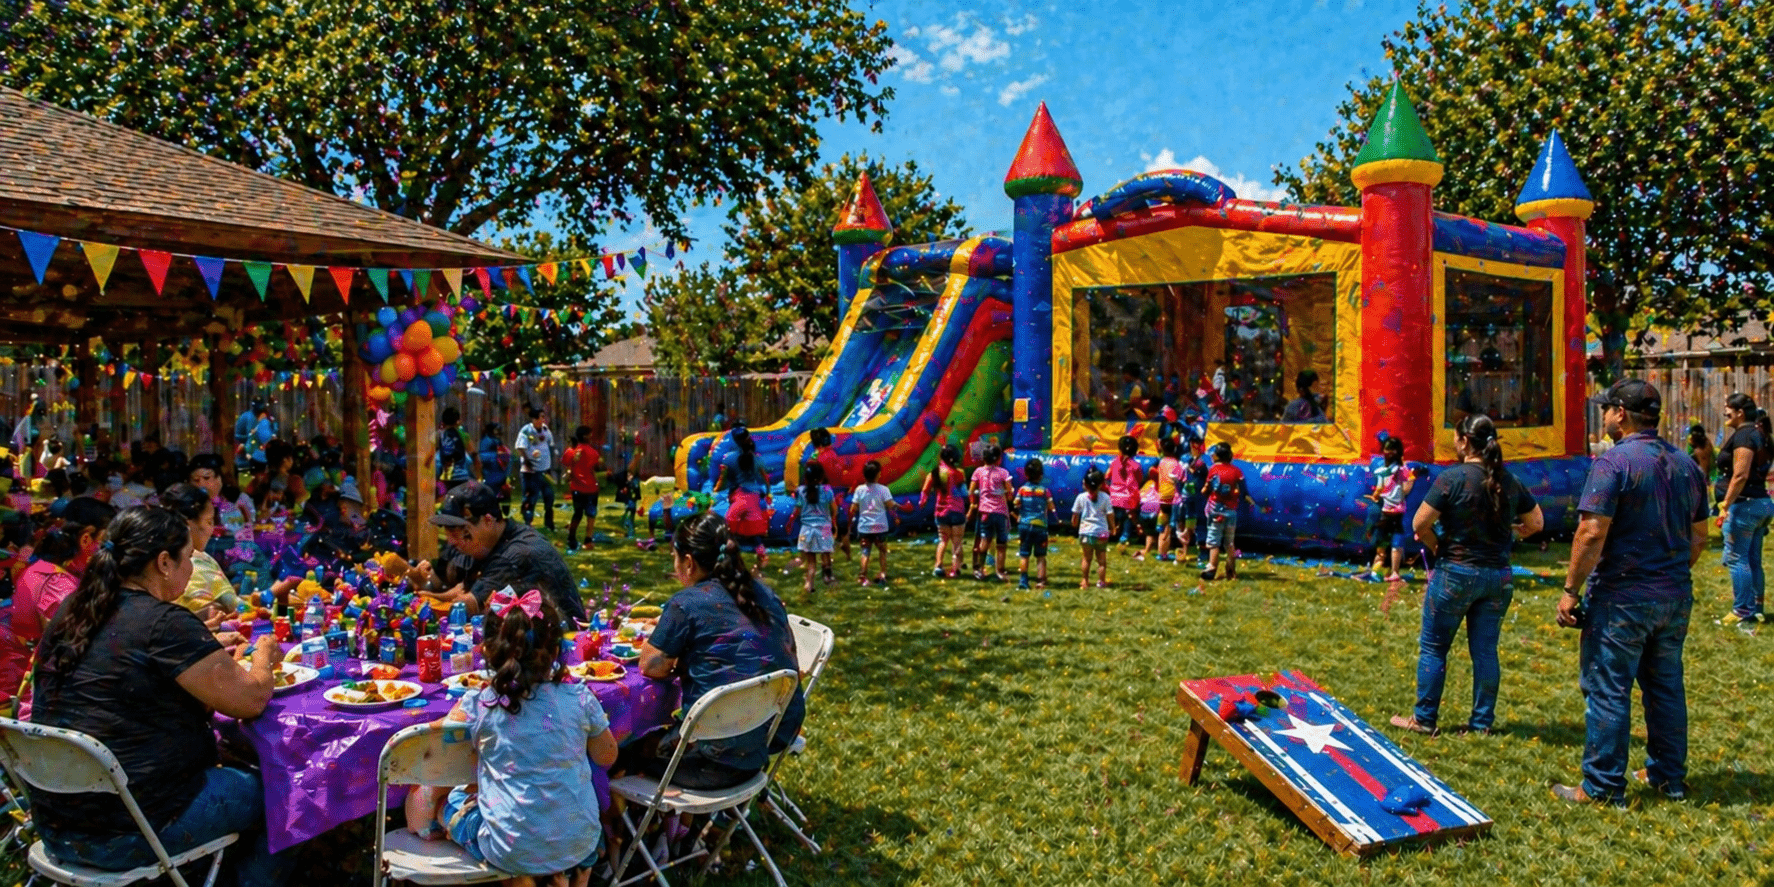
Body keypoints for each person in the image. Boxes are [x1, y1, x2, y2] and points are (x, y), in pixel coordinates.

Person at [29, 506, 291, 886]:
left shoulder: (75, 610)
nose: (191, 566)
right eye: (188, 557)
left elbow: (127, 672)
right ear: (164, 562)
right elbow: (250, 699)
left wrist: (204, 652)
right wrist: (264, 655)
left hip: (58, 826)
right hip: (131, 830)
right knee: (283, 791)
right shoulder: (164, 623)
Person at [1553, 379, 1708, 805]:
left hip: (1622, 599)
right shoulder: (1686, 464)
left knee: (1608, 689)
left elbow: (1591, 531)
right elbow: (1699, 538)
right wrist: (1668, 575)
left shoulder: (1613, 464)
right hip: (1674, 596)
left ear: (1621, 413)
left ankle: (1602, 787)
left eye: (1606, 409)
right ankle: (1668, 778)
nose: (1602, 416)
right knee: (1666, 688)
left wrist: (1570, 590)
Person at [405, 589, 616, 886]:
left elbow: (427, 748)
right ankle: (557, 875)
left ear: (488, 652)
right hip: (580, 842)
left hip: (509, 849)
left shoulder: (480, 704)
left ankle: (525, 876)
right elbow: (607, 756)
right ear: (556, 652)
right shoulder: (580, 697)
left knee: (447, 802)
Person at [1388, 416, 1542, 736]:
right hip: (1497, 577)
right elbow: (1537, 523)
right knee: (1485, 650)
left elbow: (1419, 524)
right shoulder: (1508, 480)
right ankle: (1482, 723)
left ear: (1463, 442)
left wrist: (1437, 545)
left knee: (1434, 647)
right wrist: (1510, 533)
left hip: (1455, 573)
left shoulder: (1452, 478)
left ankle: (1425, 718)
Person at [631, 513, 805, 790]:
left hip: (710, 761)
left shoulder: (686, 604)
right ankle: (697, 828)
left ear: (688, 562)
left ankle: (656, 831)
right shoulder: (763, 593)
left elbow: (651, 666)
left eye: (675, 558)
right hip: (768, 737)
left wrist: (678, 659)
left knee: (623, 750)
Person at [410, 481, 585, 622]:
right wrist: (430, 595)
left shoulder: (515, 554)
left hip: (563, 645)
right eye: (448, 532)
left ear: (487, 520)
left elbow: (467, 607)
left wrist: (416, 605)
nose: (451, 540)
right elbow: (464, 588)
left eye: (458, 532)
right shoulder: (493, 541)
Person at [0, 498, 118, 697]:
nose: (112, 552)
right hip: (26, 692)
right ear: (86, 539)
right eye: (107, 542)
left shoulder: (45, 568)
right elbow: (67, 650)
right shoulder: (58, 584)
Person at [1715, 393, 1772, 628]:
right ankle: (1756, 607)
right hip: (1761, 503)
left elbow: (1740, 474)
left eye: (1728, 408)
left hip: (1744, 506)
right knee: (1753, 559)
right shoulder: (1760, 434)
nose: (1725, 412)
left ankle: (1742, 611)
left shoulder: (1744, 436)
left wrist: (1725, 505)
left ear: (1740, 413)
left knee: (1738, 559)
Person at [158, 484, 244, 619]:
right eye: (209, 522)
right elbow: (237, 607)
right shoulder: (199, 561)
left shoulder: (159, 557)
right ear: (188, 524)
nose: (212, 529)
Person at [713, 426, 772, 573]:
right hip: (754, 497)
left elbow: (722, 481)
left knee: (729, 530)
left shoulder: (729, 458)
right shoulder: (756, 458)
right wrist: (767, 492)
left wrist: (714, 491)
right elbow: (766, 479)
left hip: (739, 497)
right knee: (754, 532)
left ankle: (726, 558)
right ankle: (762, 556)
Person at [850, 460, 910, 587]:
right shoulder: (883, 489)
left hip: (864, 527)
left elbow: (853, 508)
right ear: (878, 475)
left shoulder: (859, 490)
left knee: (865, 552)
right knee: (882, 551)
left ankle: (862, 576)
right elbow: (890, 505)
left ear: (864, 475)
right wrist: (903, 507)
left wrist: (850, 523)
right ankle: (882, 573)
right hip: (880, 527)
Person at [1368, 436, 1416, 582]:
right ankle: (1392, 572)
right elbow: (1407, 486)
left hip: (1388, 511)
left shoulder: (1387, 469)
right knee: (1394, 542)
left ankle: (1377, 571)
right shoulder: (1400, 469)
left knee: (1384, 543)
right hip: (1395, 511)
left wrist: (1377, 495)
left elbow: (1381, 489)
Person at [1199, 443, 1248, 581]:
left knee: (1214, 541)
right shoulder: (1237, 471)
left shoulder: (1213, 469)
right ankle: (1231, 570)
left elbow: (1207, 488)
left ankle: (1211, 568)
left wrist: (1203, 492)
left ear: (1218, 456)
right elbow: (1243, 490)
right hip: (1231, 511)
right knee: (1229, 542)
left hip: (1216, 510)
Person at [918, 444, 968, 578]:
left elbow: (925, 492)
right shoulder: (959, 474)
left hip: (941, 512)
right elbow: (964, 494)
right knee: (957, 542)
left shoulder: (934, 473)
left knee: (942, 540)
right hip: (957, 511)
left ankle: (938, 565)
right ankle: (955, 570)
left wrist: (922, 502)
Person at [788, 460, 836, 594]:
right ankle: (828, 576)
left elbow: (796, 511)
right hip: (824, 528)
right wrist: (833, 519)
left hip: (807, 529)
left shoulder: (801, 490)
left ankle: (808, 585)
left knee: (811, 562)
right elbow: (834, 509)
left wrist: (790, 523)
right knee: (826, 554)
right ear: (821, 476)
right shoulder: (827, 490)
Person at [969, 444, 1014, 582]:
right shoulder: (1003, 473)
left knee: (985, 540)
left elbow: (971, 490)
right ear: (998, 459)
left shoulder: (978, 472)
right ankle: (1000, 571)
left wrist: (976, 500)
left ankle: (979, 569)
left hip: (985, 512)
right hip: (1000, 513)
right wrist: (1005, 495)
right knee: (1001, 543)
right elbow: (1010, 493)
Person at [1013, 458, 1055, 591]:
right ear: (1041, 475)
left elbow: (1016, 503)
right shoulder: (1044, 491)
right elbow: (1051, 506)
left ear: (1026, 474)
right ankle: (1041, 581)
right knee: (1041, 556)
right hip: (1040, 527)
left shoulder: (1022, 490)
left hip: (1024, 525)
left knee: (1024, 554)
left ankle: (1023, 580)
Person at [1072, 468, 1115, 589]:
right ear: (1101, 484)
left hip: (1086, 532)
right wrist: (1113, 527)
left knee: (1086, 558)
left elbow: (1075, 514)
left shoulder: (1081, 497)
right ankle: (1101, 582)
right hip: (1101, 533)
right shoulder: (1105, 497)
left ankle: (1085, 581)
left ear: (1085, 484)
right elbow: (1110, 514)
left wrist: (1074, 524)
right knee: (1101, 561)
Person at [514, 408, 557, 531]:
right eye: (541, 417)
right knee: (530, 498)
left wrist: (549, 465)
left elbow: (550, 445)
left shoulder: (545, 430)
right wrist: (527, 462)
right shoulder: (526, 430)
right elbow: (520, 448)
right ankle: (528, 525)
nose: (544, 419)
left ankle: (549, 524)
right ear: (534, 419)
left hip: (544, 470)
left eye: (544, 416)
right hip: (531, 472)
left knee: (549, 497)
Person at [562, 425, 601, 553]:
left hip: (576, 489)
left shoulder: (571, 451)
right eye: (590, 434)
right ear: (585, 436)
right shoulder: (592, 452)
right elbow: (595, 468)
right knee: (591, 515)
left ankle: (571, 538)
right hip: (590, 489)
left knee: (577, 514)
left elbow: (565, 462)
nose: (592, 437)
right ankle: (588, 540)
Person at [1108, 435, 1143, 551]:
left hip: (1114, 497)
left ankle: (1114, 532)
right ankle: (1125, 536)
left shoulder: (1114, 462)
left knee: (1118, 516)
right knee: (1129, 517)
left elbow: (1106, 476)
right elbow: (1139, 480)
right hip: (1129, 498)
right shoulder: (1136, 465)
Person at [1152, 437, 1183, 563]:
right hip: (1172, 496)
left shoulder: (1162, 462)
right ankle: (1164, 553)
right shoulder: (1176, 463)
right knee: (1169, 527)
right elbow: (1180, 478)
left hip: (1162, 496)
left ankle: (1161, 552)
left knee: (1163, 525)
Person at [436, 406, 474, 493]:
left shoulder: (440, 435)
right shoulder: (463, 435)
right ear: (458, 421)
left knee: (448, 500)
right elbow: (472, 452)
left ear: (443, 421)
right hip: (463, 476)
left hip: (446, 477)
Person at [478, 422, 512, 513]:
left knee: (502, 492)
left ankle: (500, 509)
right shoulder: (487, 440)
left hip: (499, 473)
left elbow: (505, 456)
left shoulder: (496, 440)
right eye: (497, 430)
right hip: (491, 473)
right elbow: (483, 457)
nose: (499, 432)